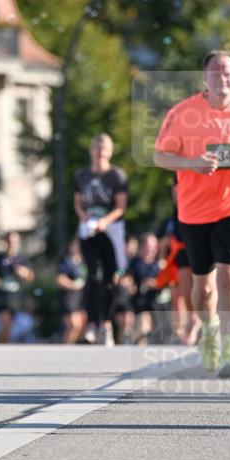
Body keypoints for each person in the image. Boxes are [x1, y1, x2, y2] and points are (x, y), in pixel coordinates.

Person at [154, 50, 230, 376]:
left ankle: (228, 352)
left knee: (229, 275)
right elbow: (160, 156)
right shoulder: (183, 113)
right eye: (215, 72)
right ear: (204, 78)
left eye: (228, 73)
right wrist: (191, 164)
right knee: (204, 286)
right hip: (195, 209)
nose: (222, 78)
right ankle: (208, 332)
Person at [74, 133, 127, 346]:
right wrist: (83, 216)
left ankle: (105, 323)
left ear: (110, 151)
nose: (100, 153)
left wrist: (105, 220)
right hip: (89, 230)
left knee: (110, 278)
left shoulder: (117, 176)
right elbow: (77, 202)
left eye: (104, 148)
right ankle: (92, 324)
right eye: (97, 148)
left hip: (110, 230)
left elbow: (120, 206)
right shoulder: (81, 175)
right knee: (92, 275)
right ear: (91, 150)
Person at [156, 181, 199, 345]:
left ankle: (196, 323)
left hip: (197, 249)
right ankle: (188, 323)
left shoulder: (197, 206)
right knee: (184, 293)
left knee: (202, 289)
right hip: (180, 254)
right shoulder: (173, 217)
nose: (176, 192)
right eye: (174, 190)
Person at [0, 232, 35, 344]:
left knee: (10, 324)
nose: (12, 244)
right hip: (2, 296)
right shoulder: (0, 258)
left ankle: (3, 346)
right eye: (9, 241)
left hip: (16, 297)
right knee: (5, 322)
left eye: (14, 241)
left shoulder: (22, 259)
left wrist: (24, 273)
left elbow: (31, 277)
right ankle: (2, 348)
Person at [128, 233, 160, 344]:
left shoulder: (160, 266)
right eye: (148, 246)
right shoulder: (134, 263)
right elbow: (124, 273)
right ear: (142, 247)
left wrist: (157, 283)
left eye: (153, 246)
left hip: (158, 307)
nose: (150, 249)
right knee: (143, 327)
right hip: (139, 305)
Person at [57, 239, 88, 344]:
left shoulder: (83, 262)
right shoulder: (66, 261)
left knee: (82, 326)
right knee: (74, 325)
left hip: (81, 298)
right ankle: (66, 350)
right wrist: (73, 285)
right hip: (69, 298)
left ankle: (74, 350)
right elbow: (60, 280)